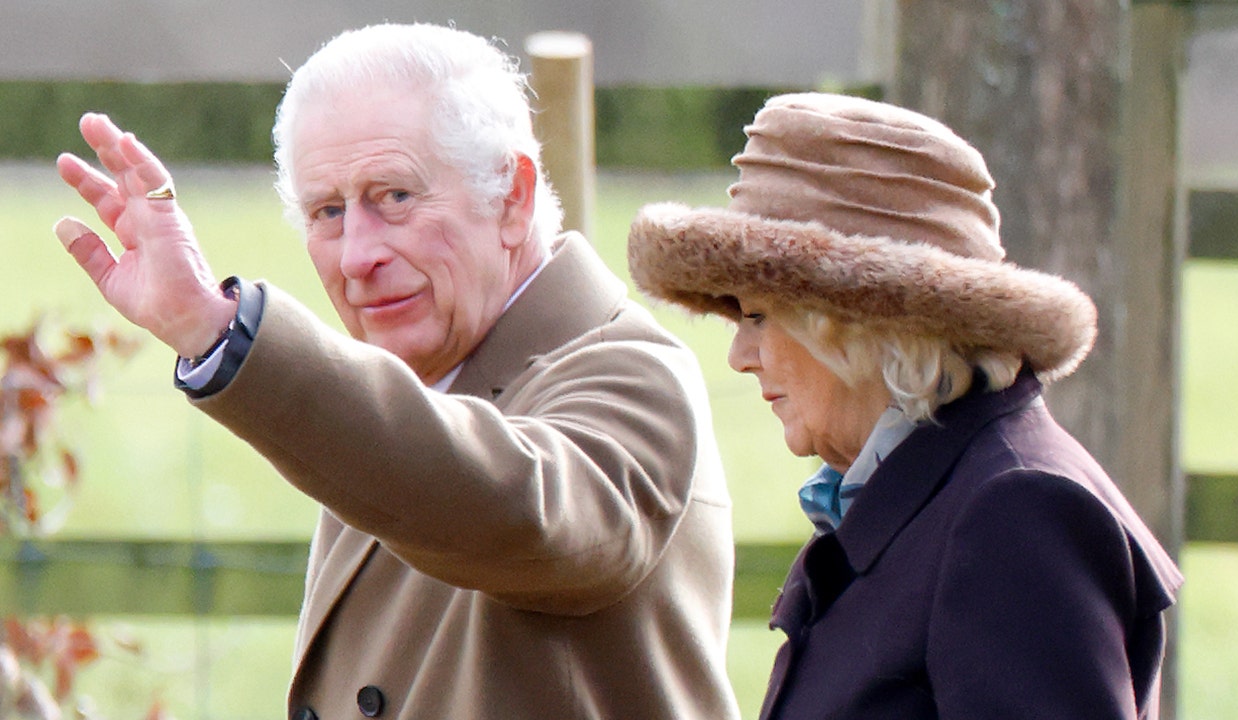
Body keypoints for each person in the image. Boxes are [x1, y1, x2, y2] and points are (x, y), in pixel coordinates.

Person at [52, 22, 740, 720]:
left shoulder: (632, 374)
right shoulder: (403, 385)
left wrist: (222, 332)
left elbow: (513, 512)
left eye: (395, 198)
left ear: (512, 197)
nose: (356, 256)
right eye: (327, 211)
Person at [628, 92, 1184, 719]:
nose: (739, 354)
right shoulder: (919, 492)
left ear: (853, 322)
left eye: (756, 314)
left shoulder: (1015, 514)